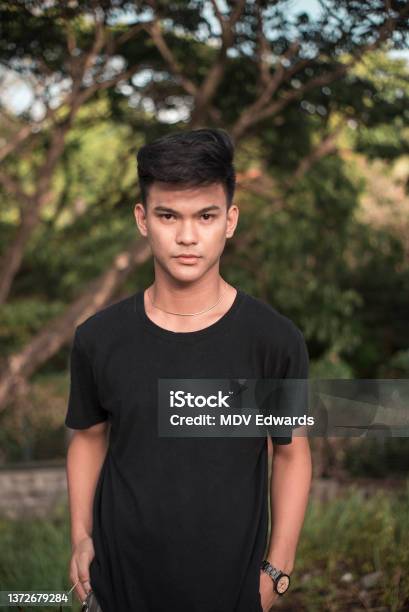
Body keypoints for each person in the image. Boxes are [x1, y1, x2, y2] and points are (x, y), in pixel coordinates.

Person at [64, 128, 312, 612]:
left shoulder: (273, 341)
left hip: (232, 594)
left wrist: (276, 573)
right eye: (167, 215)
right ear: (142, 219)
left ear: (230, 220)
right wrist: (79, 536)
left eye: (205, 216)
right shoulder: (98, 338)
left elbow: (291, 453)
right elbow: (89, 437)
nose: (186, 236)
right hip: (115, 591)